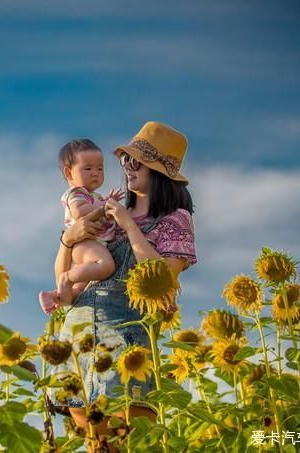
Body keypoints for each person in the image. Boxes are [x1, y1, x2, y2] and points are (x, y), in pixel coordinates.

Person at [50, 122, 197, 452]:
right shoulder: (105, 212)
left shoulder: (175, 219)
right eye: (125, 161)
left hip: (127, 345)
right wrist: (67, 239)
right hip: (78, 339)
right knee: (95, 444)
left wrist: (129, 225)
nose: (127, 168)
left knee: (124, 442)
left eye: (136, 162)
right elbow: (65, 275)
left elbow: (162, 277)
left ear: (159, 172)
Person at [38, 139, 125, 315]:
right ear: (69, 173)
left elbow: (96, 207)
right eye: (88, 168)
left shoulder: (94, 196)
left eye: (100, 168)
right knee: (105, 266)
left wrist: (106, 201)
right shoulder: (76, 193)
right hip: (87, 242)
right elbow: (79, 212)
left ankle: (54, 297)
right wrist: (106, 206)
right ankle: (67, 277)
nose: (96, 173)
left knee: (78, 292)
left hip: (90, 245)